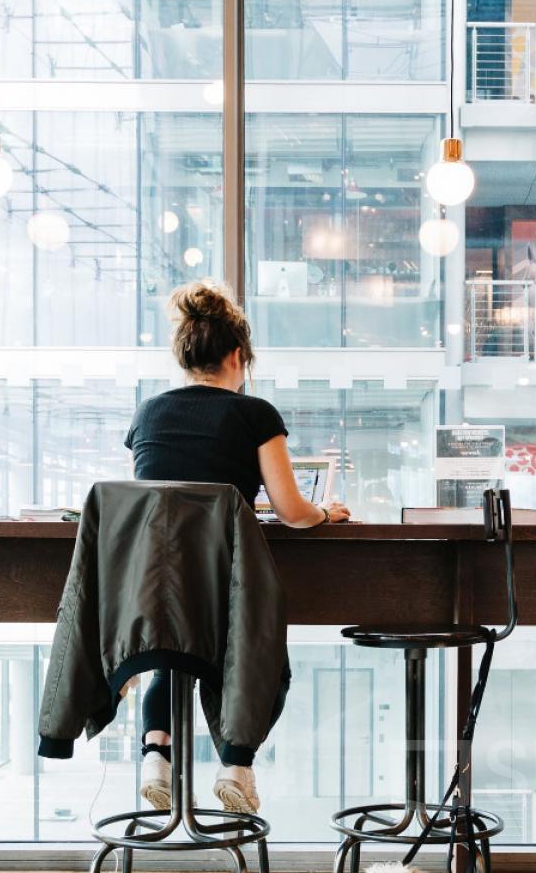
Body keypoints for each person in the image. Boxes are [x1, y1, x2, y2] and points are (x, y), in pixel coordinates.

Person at [124, 280, 351, 814]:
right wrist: (326, 512)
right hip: (226, 586)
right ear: (235, 355)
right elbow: (292, 512)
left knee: (171, 658)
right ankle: (235, 765)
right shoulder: (255, 415)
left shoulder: (146, 415)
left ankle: (156, 755)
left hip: (150, 588)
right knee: (261, 659)